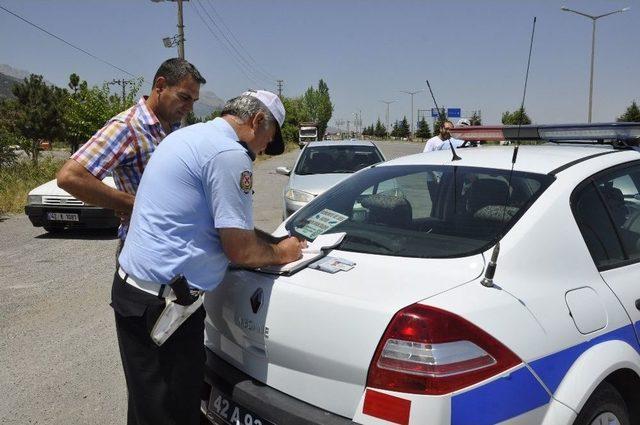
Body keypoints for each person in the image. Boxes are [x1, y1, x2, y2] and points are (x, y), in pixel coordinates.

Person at [114, 89, 305, 424]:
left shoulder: (188, 136)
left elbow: (217, 224)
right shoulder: (229, 155)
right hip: (166, 310)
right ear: (257, 121)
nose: (263, 151)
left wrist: (272, 239)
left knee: (148, 407)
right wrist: (280, 252)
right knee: (172, 413)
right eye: (268, 139)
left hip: (136, 295)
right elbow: (240, 248)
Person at [56, 58, 206, 241]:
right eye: (184, 98)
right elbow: (70, 177)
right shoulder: (127, 127)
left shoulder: (173, 127)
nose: (190, 108)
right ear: (160, 85)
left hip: (175, 247)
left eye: (194, 101)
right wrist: (132, 204)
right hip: (144, 251)